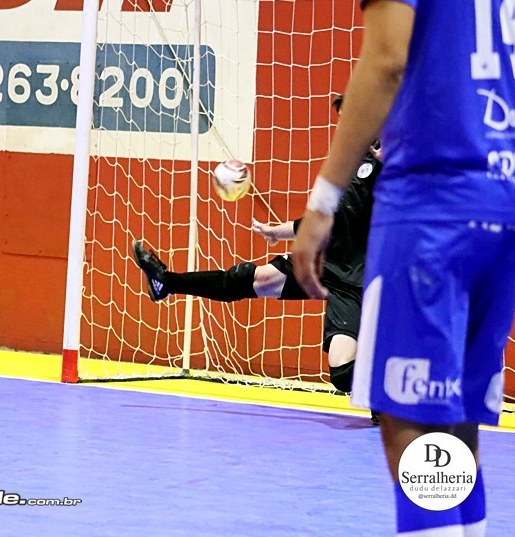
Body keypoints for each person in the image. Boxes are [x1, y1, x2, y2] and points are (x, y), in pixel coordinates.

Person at [291, 0, 515, 535]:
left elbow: (386, 59)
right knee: (455, 420)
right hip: (510, 192)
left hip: (433, 199)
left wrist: (324, 199)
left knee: (406, 422)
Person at [134, 96, 383, 423]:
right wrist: (279, 231)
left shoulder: (391, 163)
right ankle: (165, 282)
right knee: (254, 278)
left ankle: (387, 396)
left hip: (357, 280)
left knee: (342, 373)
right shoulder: (346, 163)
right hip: (324, 262)